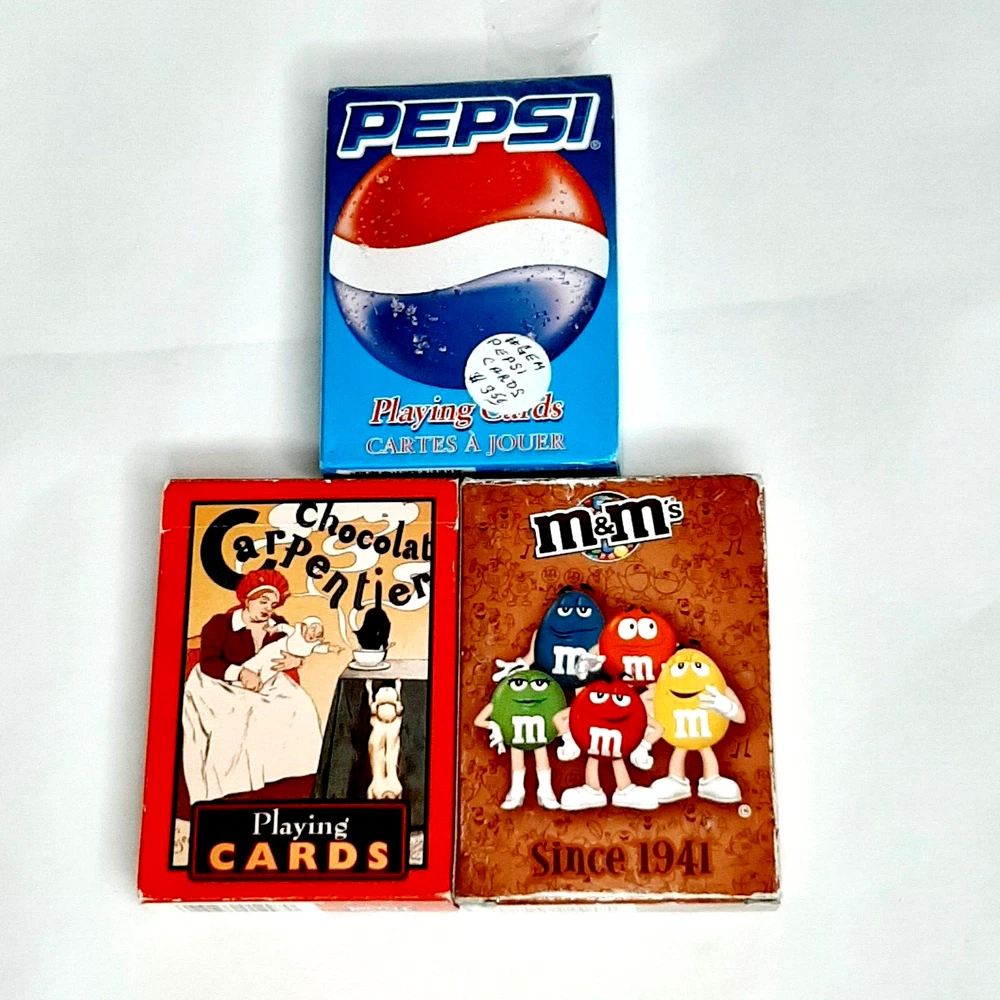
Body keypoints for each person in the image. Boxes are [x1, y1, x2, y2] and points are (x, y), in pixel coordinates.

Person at [181, 569, 324, 804]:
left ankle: (292, 777)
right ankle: (231, 789)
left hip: (265, 682)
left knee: (300, 705)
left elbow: (292, 649)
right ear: (248, 599)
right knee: (239, 715)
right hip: (218, 682)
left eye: (273, 604)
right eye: (263, 601)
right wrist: (240, 673)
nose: (268, 608)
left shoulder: (278, 625)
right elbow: (209, 663)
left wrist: (296, 661)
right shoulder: (220, 624)